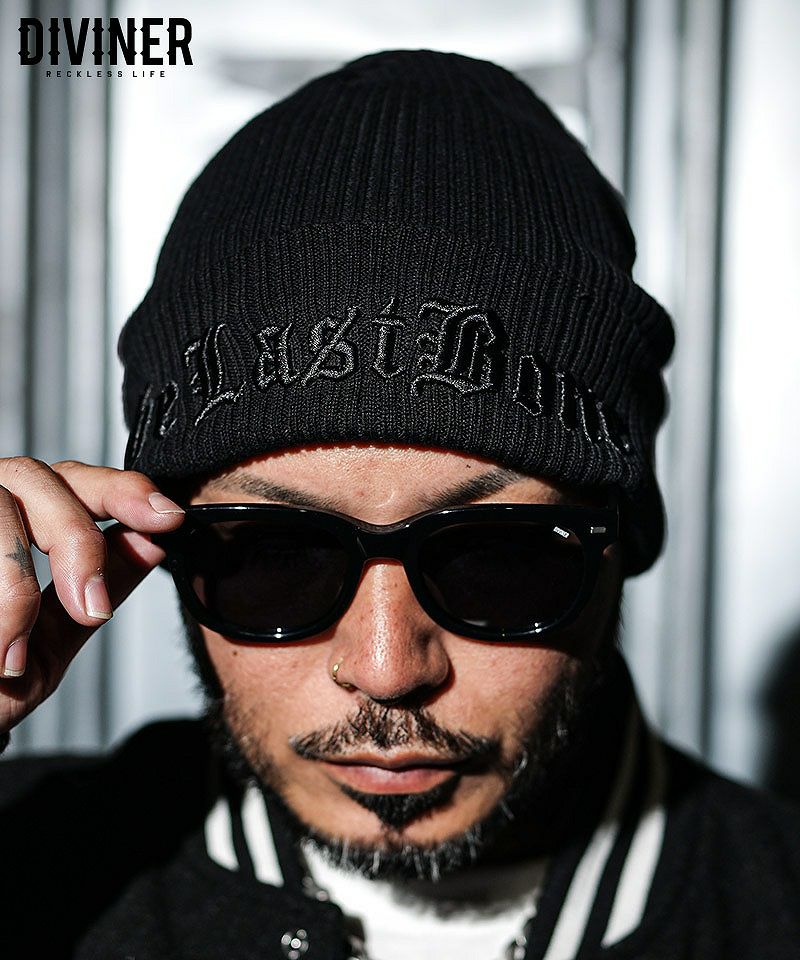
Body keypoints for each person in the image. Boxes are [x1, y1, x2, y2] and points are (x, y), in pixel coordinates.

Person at [0, 49, 797, 960]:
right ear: (156, 539)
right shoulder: (32, 865)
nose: (385, 669)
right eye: (275, 559)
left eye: (497, 558)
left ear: (625, 537)